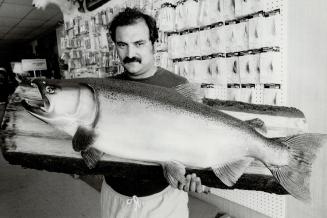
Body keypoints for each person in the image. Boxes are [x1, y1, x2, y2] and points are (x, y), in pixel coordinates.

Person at [79, 7, 205, 218]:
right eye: (122, 45)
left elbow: (198, 139)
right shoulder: (105, 89)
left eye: (139, 44)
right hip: (115, 199)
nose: (130, 54)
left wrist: (197, 174)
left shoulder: (178, 87)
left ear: (153, 43)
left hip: (165, 202)